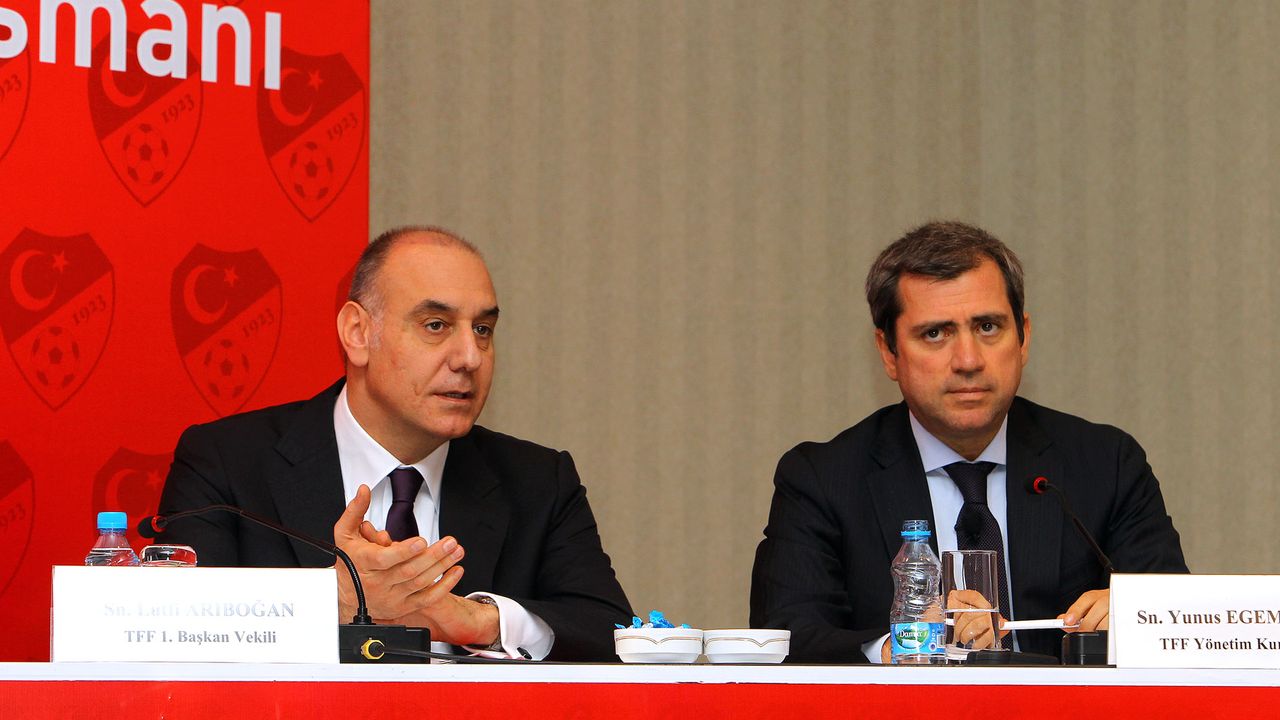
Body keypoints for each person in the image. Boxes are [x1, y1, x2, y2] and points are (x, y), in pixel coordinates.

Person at [156, 226, 632, 661]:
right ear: (358, 333)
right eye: (436, 325)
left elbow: (610, 633)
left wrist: (478, 621)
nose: (470, 357)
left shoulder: (537, 481)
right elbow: (174, 629)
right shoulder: (228, 463)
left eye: (483, 329)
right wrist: (330, 601)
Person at [749, 221, 1187, 662]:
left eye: (988, 327)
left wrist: (1140, 616)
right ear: (888, 352)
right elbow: (785, 636)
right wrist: (904, 645)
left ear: (1023, 338)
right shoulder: (823, 479)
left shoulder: (1105, 464)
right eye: (934, 333)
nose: (968, 360)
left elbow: (1184, 620)